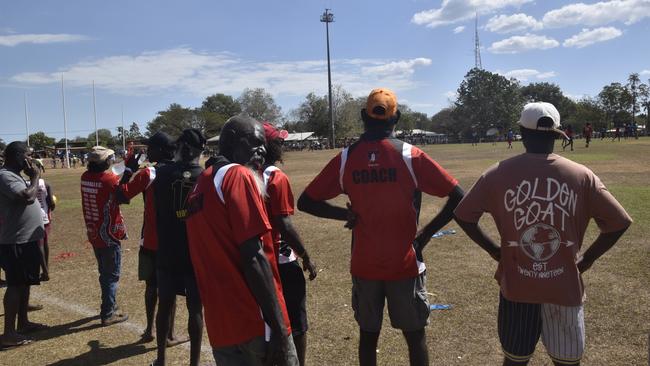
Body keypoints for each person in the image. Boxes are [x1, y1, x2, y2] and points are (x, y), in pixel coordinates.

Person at [454, 102, 633, 366]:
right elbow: (619, 222)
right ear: (558, 135)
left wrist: (495, 251)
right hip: (564, 288)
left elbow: (463, 215)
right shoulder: (582, 176)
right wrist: (587, 260)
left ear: (521, 133)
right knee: (567, 361)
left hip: (517, 287)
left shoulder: (496, 173)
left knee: (515, 360)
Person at [298, 88, 464, 366]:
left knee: (368, 336)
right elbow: (459, 196)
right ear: (396, 117)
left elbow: (306, 201)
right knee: (414, 336)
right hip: (406, 263)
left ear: (364, 115)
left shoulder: (346, 158)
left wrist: (344, 215)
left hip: (365, 265)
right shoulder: (410, 155)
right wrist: (425, 234)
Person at [185, 115, 299, 366]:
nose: (263, 149)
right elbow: (254, 256)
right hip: (256, 323)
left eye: (264, 144)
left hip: (221, 327)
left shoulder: (199, 185)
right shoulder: (238, 176)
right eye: (255, 142)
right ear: (233, 141)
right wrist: (279, 328)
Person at [116, 132, 187, 347]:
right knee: (170, 289)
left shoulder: (150, 173)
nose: (148, 152)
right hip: (174, 242)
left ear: (163, 150)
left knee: (152, 287)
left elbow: (122, 196)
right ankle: (169, 334)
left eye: (151, 148)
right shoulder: (183, 171)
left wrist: (128, 170)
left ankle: (150, 330)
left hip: (151, 241)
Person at [261, 122, 317, 366]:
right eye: (279, 141)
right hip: (282, 261)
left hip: (255, 262)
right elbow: (284, 224)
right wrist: (305, 255)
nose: (282, 145)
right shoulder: (275, 176)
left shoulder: (240, 173)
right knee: (296, 322)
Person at [151, 129, 205, 366]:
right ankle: (193, 363)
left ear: (183, 147)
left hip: (167, 249)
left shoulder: (161, 174)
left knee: (165, 303)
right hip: (194, 251)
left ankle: (161, 359)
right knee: (195, 307)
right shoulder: (205, 176)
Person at [0, 141, 47, 348]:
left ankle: (23, 322)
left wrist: (31, 177)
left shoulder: (15, 174)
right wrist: (35, 177)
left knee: (25, 282)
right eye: (28, 155)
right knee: (16, 284)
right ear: (17, 155)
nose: (31, 159)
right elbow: (27, 197)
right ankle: (8, 334)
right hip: (16, 240)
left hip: (26, 238)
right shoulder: (5, 175)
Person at [80, 146, 130, 326]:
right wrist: (129, 173)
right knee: (111, 275)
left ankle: (111, 304)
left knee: (104, 272)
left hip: (94, 231)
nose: (112, 161)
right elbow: (124, 197)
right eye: (110, 158)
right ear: (104, 162)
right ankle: (108, 312)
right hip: (109, 233)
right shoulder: (108, 178)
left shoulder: (85, 177)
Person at [34, 177, 55, 281]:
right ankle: (46, 269)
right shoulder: (46, 184)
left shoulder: (25, 183)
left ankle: (44, 271)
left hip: (32, 217)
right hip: (45, 217)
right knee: (44, 243)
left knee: (38, 245)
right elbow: (51, 202)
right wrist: (51, 207)